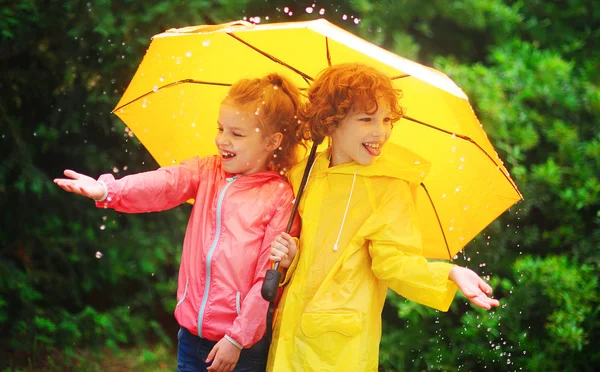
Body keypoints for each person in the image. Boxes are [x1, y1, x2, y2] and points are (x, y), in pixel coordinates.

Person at [54, 73, 303, 372]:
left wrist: (237, 339)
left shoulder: (280, 199)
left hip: (241, 349)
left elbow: (267, 281)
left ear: (272, 141)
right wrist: (109, 190)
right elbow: (163, 184)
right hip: (191, 338)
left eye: (236, 134)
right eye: (221, 128)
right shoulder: (206, 171)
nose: (222, 139)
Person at [267, 63, 499, 371]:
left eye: (387, 119)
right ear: (330, 122)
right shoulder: (304, 174)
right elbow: (310, 258)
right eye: (367, 119)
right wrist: (291, 258)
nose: (381, 132)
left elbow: (394, 262)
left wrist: (449, 273)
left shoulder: (389, 186)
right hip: (286, 336)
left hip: (340, 349)